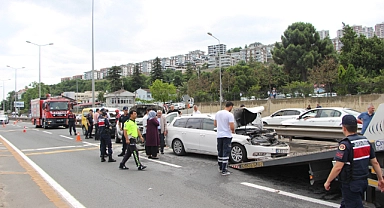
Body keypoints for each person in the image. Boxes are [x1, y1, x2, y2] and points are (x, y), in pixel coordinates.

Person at [324, 115, 384, 207]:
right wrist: (380, 178)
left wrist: (328, 181)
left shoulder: (345, 144)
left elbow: (338, 167)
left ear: (344, 128)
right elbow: (375, 162)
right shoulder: (365, 141)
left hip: (351, 184)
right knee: (346, 204)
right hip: (363, 182)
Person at [214, 101, 235, 176]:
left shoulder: (218, 113)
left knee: (220, 151)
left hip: (219, 135)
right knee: (226, 152)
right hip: (227, 135)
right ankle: (224, 170)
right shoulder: (230, 115)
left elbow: (215, 124)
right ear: (230, 106)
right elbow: (232, 126)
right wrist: (233, 131)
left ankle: (220, 167)